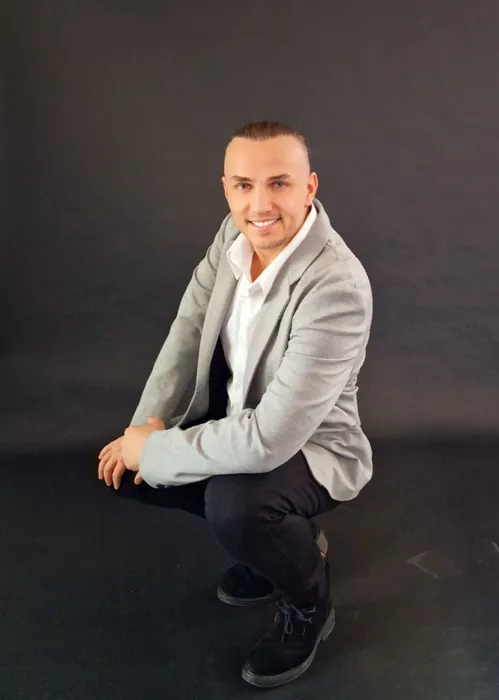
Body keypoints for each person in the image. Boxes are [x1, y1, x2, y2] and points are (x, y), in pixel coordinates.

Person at [97, 121, 373, 688]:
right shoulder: (233, 234)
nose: (260, 205)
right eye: (244, 186)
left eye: (279, 183)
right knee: (133, 474)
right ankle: (284, 546)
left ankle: (308, 599)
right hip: (239, 420)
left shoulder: (336, 286)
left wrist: (157, 449)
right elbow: (188, 329)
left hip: (309, 448)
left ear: (309, 187)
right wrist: (143, 429)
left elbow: (270, 438)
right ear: (226, 188)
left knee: (236, 506)